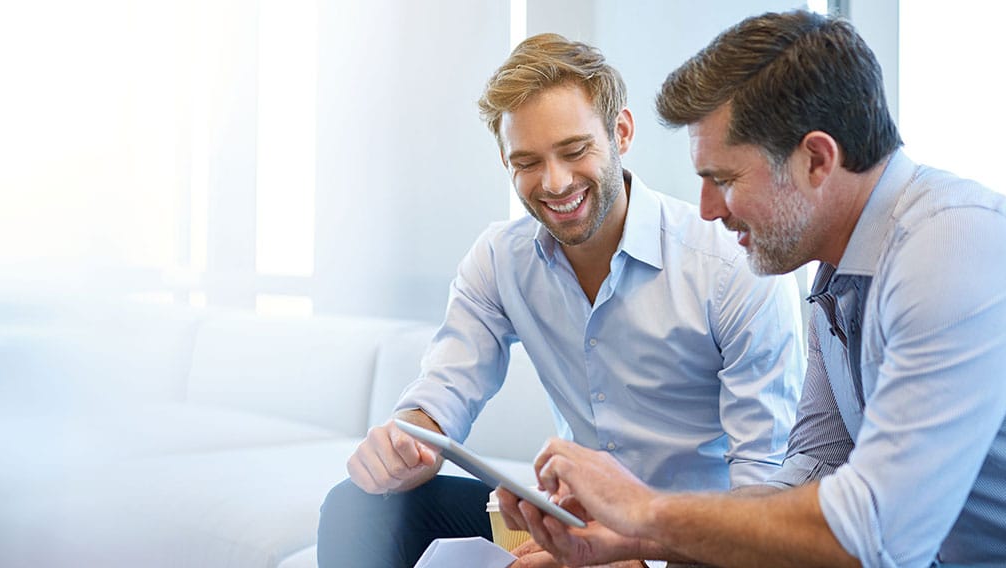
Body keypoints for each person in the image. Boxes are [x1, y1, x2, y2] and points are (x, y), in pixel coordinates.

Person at [500, 10, 1006, 568]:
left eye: (722, 179)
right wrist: (626, 539)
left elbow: (873, 533)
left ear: (817, 159)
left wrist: (643, 510)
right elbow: (816, 468)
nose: (708, 210)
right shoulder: (841, 276)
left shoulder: (955, 251)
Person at [316, 33, 805, 567]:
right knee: (360, 505)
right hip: (576, 525)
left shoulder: (732, 268)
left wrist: (627, 552)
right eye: (527, 161)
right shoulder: (502, 260)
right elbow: (444, 390)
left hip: (695, 546)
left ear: (621, 131)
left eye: (574, 151)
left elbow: (763, 502)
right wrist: (405, 443)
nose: (554, 182)